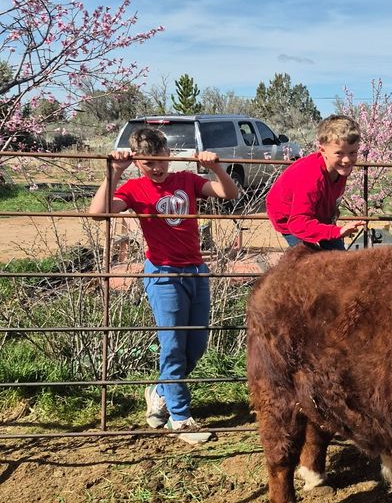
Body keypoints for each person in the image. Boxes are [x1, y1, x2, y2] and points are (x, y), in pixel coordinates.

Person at [88, 126, 238, 444]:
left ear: (169, 155)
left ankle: (159, 391)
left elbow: (229, 194)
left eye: (161, 160)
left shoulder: (187, 181)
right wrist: (115, 171)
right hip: (163, 273)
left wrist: (215, 168)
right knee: (172, 346)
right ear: (137, 162)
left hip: (196, 270)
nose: (157, 168)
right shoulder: (134, 188)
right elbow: (98, 213)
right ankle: (180, 419)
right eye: (148, 163)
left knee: (196, 346)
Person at [265, 114, 365, 250]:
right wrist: (337, 231)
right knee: (308, 257)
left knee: (337, 254)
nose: (347, 160)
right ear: (322, 150)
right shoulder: (310, 177)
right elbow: (297, 223)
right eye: (339, 153)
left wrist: (332, 218)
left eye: (352, 153)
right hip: (290, 218)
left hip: (319, 213)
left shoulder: (340, 167)